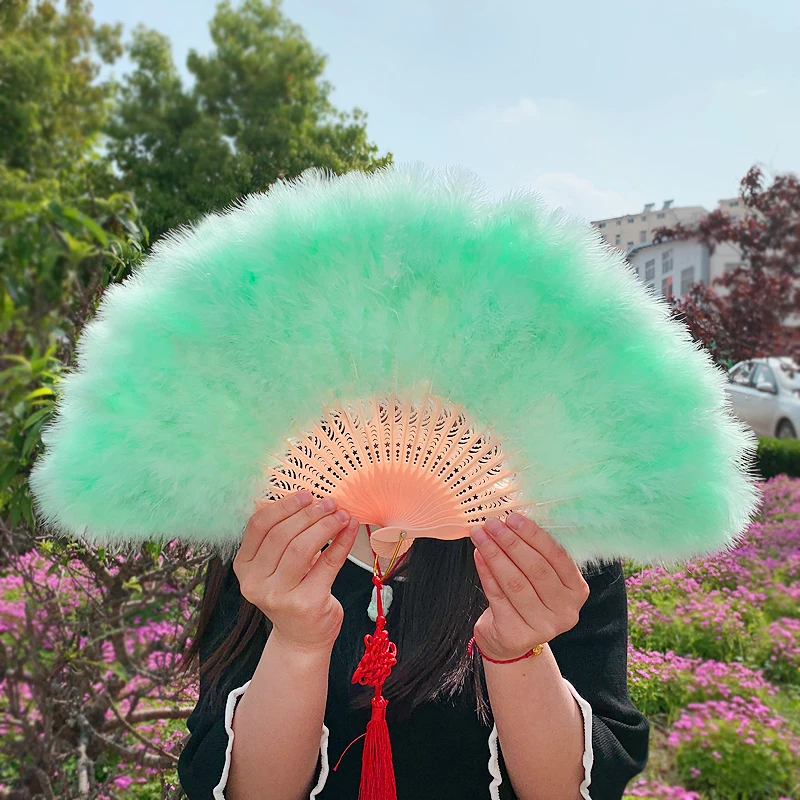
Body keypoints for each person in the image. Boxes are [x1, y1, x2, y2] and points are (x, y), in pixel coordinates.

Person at [178, 491, 649, 800]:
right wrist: (297, 643)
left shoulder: (553, 533)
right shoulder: (272, 537)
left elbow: (570, 790)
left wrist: (518, 655)